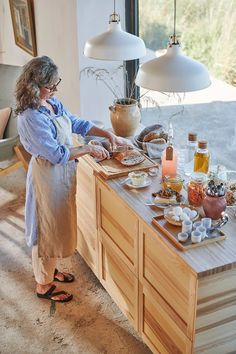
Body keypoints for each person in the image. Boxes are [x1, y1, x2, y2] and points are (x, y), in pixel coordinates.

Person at [16, 56, 131, 303]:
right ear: (34, 85)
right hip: (47, 174)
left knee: (57, 224)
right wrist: (88, 149)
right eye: (51, 86)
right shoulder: (30, 117)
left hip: (61, 174)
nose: (55, 90)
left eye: (57, 85)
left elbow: (76, 123)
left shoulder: (50, 103)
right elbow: (57, 154)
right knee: (46, 230)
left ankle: (50, 270)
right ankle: (43, 285)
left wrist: (107, 133)